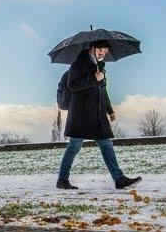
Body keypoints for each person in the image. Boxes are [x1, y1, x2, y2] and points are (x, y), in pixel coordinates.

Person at [56, 40, 141, 191]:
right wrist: (94, 79)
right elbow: (72, 85)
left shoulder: (100, 66)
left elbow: (102, 90)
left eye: (106, 50)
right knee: (74, 147)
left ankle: (119, 179)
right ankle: (62, 180)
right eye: (101, 49)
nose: (104, 52)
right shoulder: (78, 63)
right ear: (93, 47)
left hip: (97, 113)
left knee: (106, 144)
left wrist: (110, 110)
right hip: (81, 114)